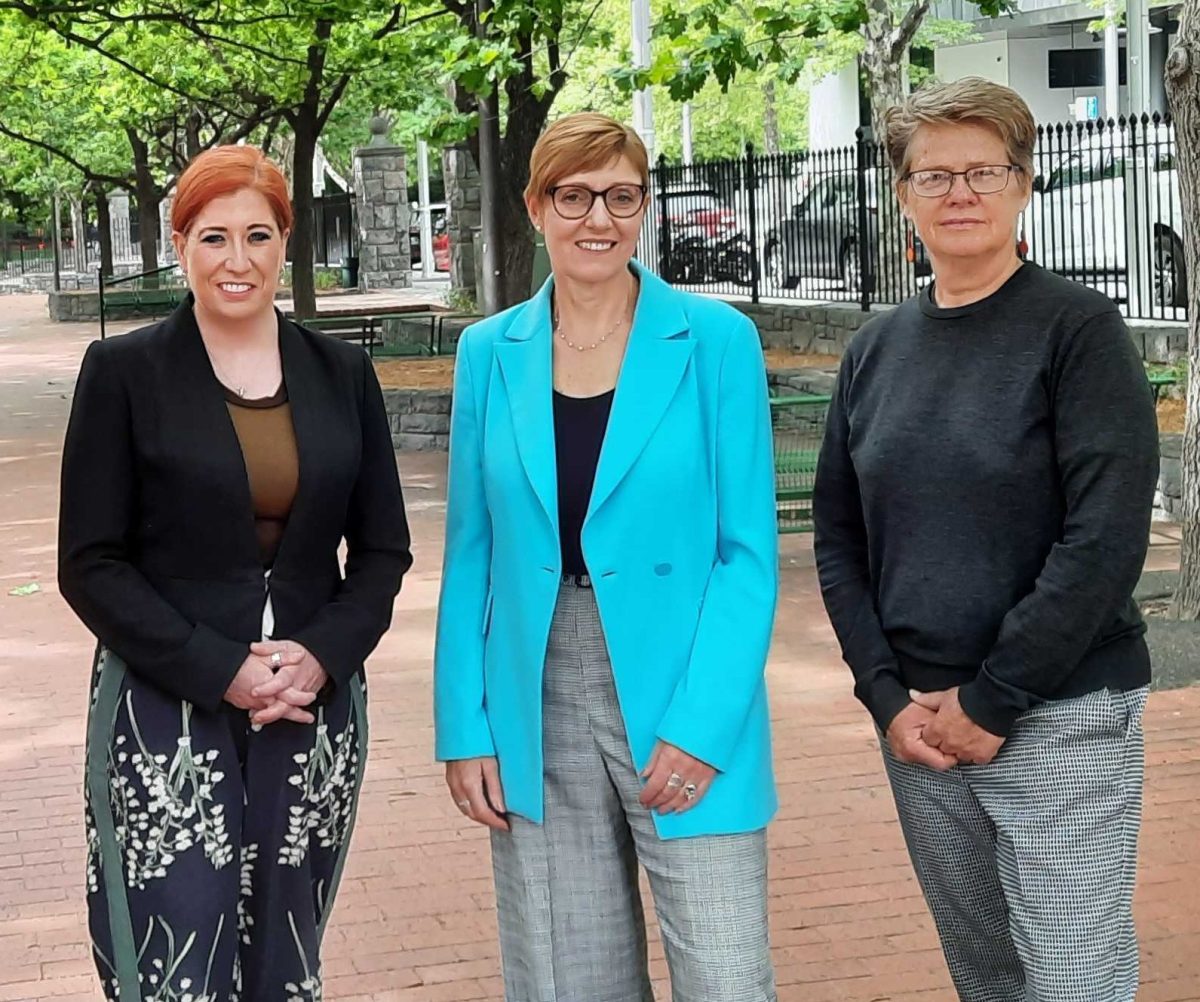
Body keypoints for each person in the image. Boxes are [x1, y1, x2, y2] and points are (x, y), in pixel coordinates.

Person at [813, 77, 1160, 1001]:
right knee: (989, 979)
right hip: (922, 730)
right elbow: (840, 539)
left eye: (984, 170)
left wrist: (995, 701)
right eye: (934, 176)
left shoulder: (1078, 331)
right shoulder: (875, 349)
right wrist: (886, 696)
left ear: (1024, 185)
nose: (959, 193)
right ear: (902, 197)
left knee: (1073, 980)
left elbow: (1105, 535)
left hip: (1060, 714)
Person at [434, 112, 780, 1002]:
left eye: (622, 196)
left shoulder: (715, 342)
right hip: (535, 689)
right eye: (574, 195)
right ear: (537, 206)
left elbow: (746, 555)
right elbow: (472, 553)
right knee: (566, 975)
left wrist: (704, 727)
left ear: (644, 206)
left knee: (726, 973)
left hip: (684, 678)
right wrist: (464, 725)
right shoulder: (489, 351)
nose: (599, 219)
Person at [58, 145, 412, 1001]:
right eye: (214, 236)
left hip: (310, 707)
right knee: (174, 954)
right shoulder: (124, 372)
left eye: (259, 235)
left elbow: (382, 551)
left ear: (285, 242)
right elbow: (89, 564)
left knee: (285, 959)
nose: (238, 259)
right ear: (181, 243)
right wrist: (224, 671)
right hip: (163, 707)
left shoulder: (342, 374)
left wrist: (323, 654)